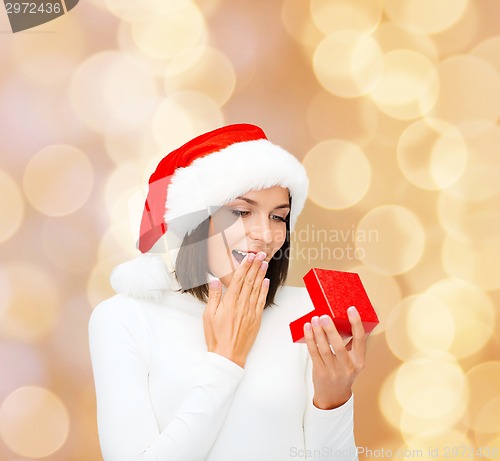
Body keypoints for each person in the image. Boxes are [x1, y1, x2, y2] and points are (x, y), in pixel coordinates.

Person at [88, 124, 368, 461]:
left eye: (279, 216)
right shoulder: (124, 317)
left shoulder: (306, 310)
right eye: (241, 212)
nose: (265, 234)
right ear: (194, 219)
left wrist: (334, 400)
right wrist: (225, 360)